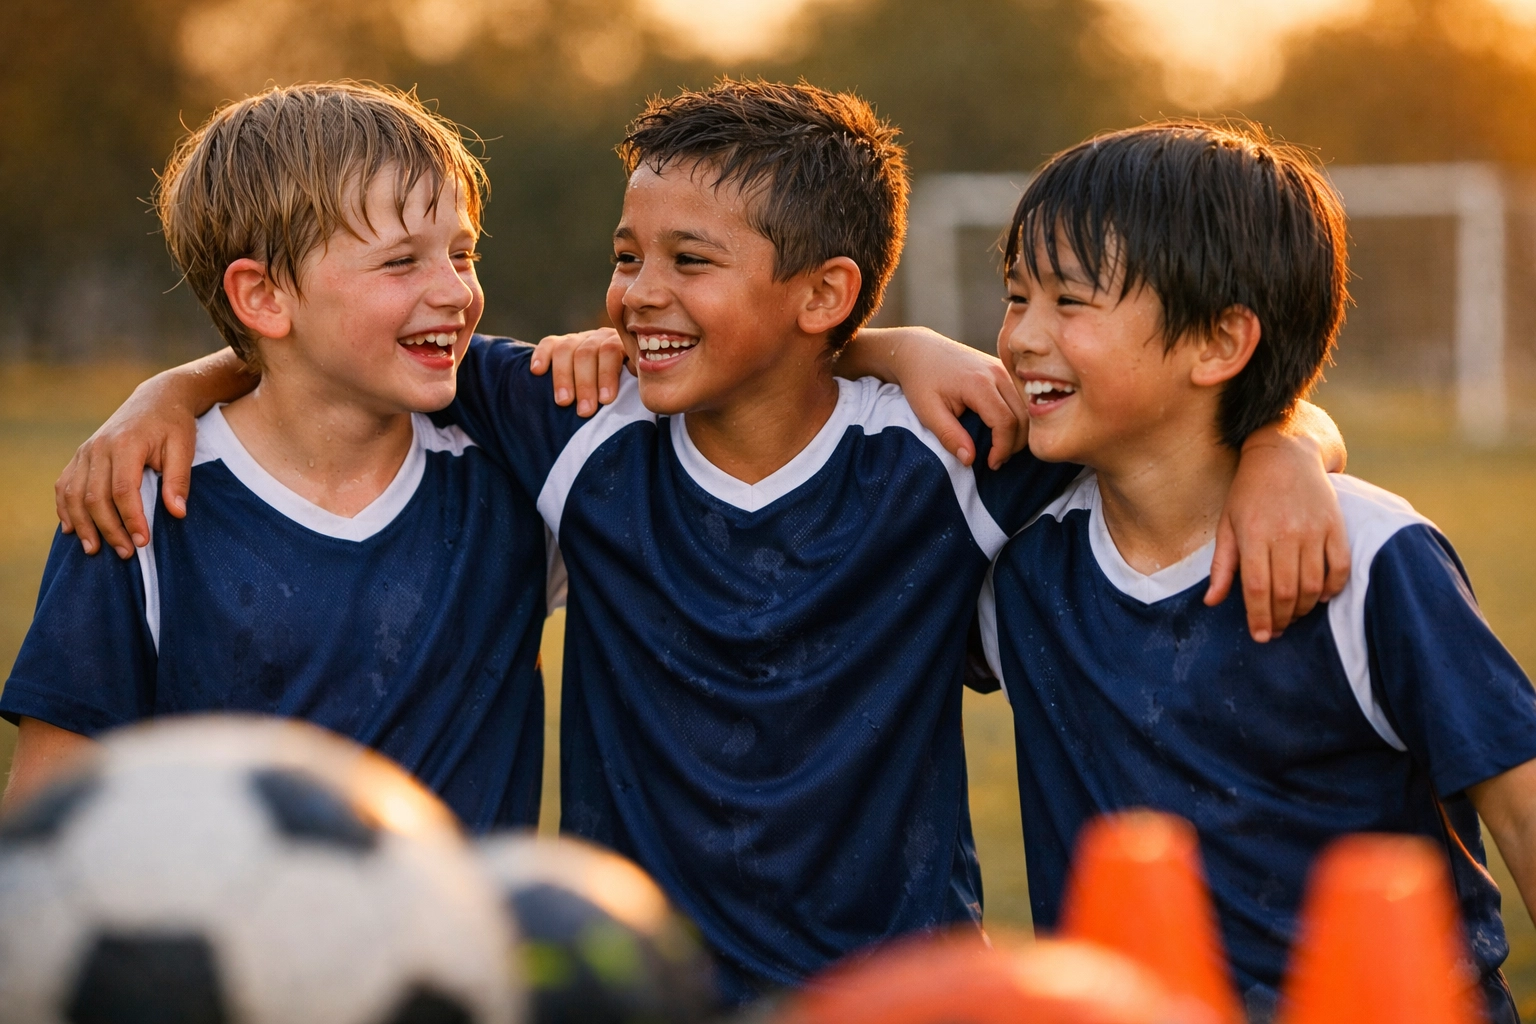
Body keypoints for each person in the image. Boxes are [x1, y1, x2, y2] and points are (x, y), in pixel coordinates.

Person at [47, 82, 1350, 1001]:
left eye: (688, 259)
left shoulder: (951, 454)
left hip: (889, 990)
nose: (638, 294)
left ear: (826, 295)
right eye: (629, 257)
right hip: (627, 982)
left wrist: (1289, 441)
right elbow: (309, 354)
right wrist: (160, 395)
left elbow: (1159, 432)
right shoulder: (562, 424)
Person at [977, 120, 1536, 1024]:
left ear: (1219, 343)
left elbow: (1521, 810)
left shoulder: (1371, 553)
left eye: (1069, 302)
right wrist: (892, 345)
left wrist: (1288, 440)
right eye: (1014, 296)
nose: (1020, 337)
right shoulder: (1019, 552)